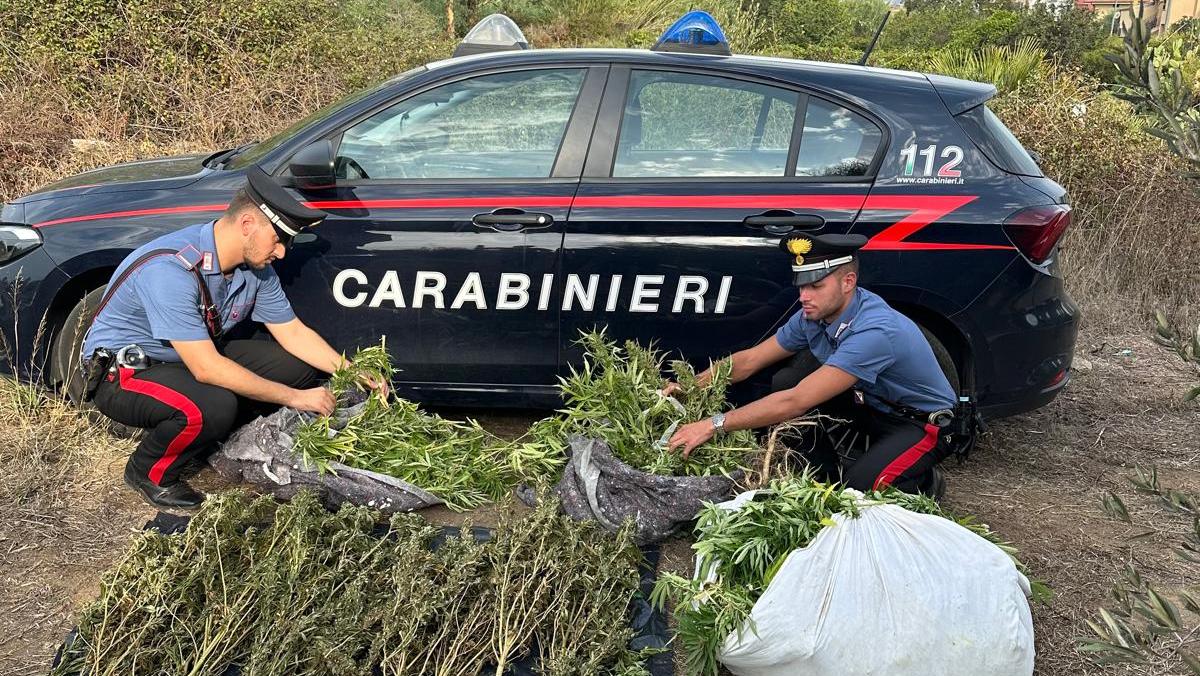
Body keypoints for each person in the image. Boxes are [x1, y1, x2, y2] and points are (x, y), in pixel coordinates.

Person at [81, 167, 387, 509]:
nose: (283, 252)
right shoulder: (171, 271)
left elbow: (293, 333)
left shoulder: (255, 268)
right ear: (247, 225)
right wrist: (296, 398)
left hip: (187, 357)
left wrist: (349, 369)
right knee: (210, 407)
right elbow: (207, 369)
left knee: (295, 367)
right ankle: (149, 472)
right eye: (279, 239)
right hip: (128, 374)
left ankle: (220, 438)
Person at [665, 233, 959, 497]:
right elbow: (751, 359)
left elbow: (795, 402)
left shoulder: (875, 331)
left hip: (922, 424)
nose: (804, 296)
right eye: (802, 285)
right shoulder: (814, 314)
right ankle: (824, 476)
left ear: (848, 282)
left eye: (816, 285)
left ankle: (923, 482)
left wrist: (713, 425)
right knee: (786, 380)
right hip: (873, 405)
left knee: (859, 490)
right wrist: (691, 386)